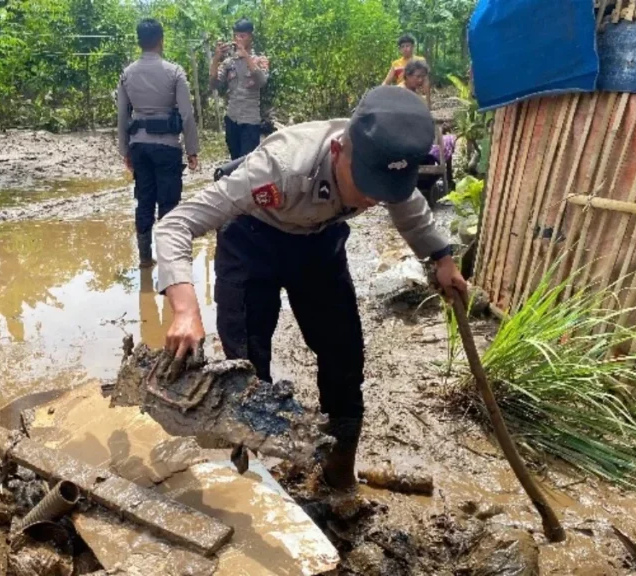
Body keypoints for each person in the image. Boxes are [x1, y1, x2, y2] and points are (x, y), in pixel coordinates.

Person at [153, 86, 467, 490]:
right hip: (252, 241)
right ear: (339, 151)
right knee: (247, 369)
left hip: (319, 246)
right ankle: (250, 485)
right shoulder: (281, 167)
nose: (373, 200)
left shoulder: (383, 166)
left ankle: (338, 476)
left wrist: (441, 258)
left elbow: (408, 208)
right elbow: (175, 225)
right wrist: (185, 309)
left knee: (344, 356)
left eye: (383, 191)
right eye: (367, 186)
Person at [117, 18, 199, 268]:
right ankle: (169, 261)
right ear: (161, 40)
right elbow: (186, 114)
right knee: (169, 202)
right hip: (168, 147)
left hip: (139, 147)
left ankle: (144, 258)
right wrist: (192, 150)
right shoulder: (174, 72)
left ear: (139, 42)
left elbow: (122, 115)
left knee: (144, 200)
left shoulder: (127, 74)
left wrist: (125, 151)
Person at [211, 18, 270, 160]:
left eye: (242, 36)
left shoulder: (259, 60)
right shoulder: (229, 63)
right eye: (236, 36)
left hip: (250, 122)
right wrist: (215, 59)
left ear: (251, 37)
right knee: (234, 163)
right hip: (232, 119)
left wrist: (246, 56)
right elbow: (214, 85)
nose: (238, 40)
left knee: (247, 165)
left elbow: (262, 81)